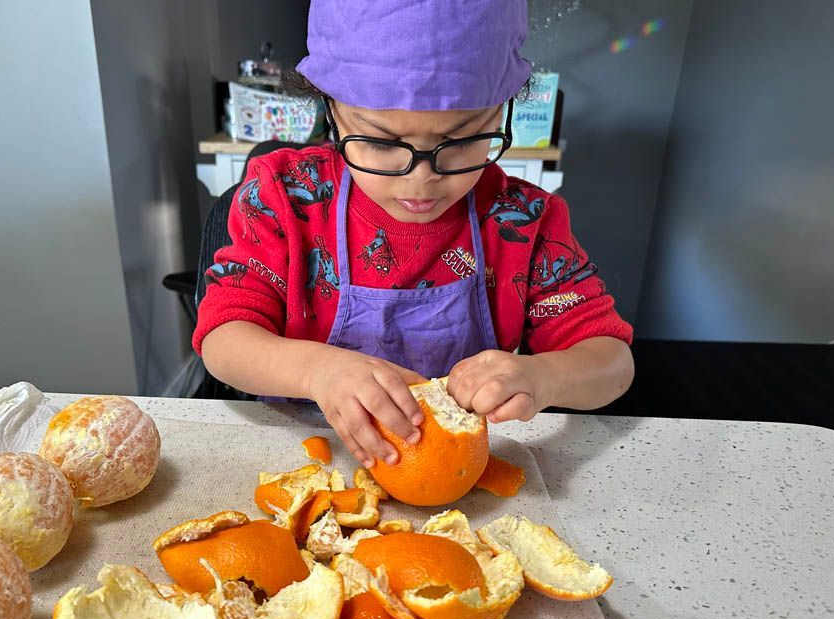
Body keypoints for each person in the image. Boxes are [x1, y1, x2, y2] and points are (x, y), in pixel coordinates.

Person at [194, 0, 634, 470]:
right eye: (383, 143)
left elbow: (612, 363)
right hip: (304, 463)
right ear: (332, 109)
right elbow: (224, 339)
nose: (420, 179)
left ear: (503, 109)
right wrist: (317, 370)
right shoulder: (286, 199)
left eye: (461, 141)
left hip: (451, 472)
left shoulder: (522, 222)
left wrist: (546, 375)